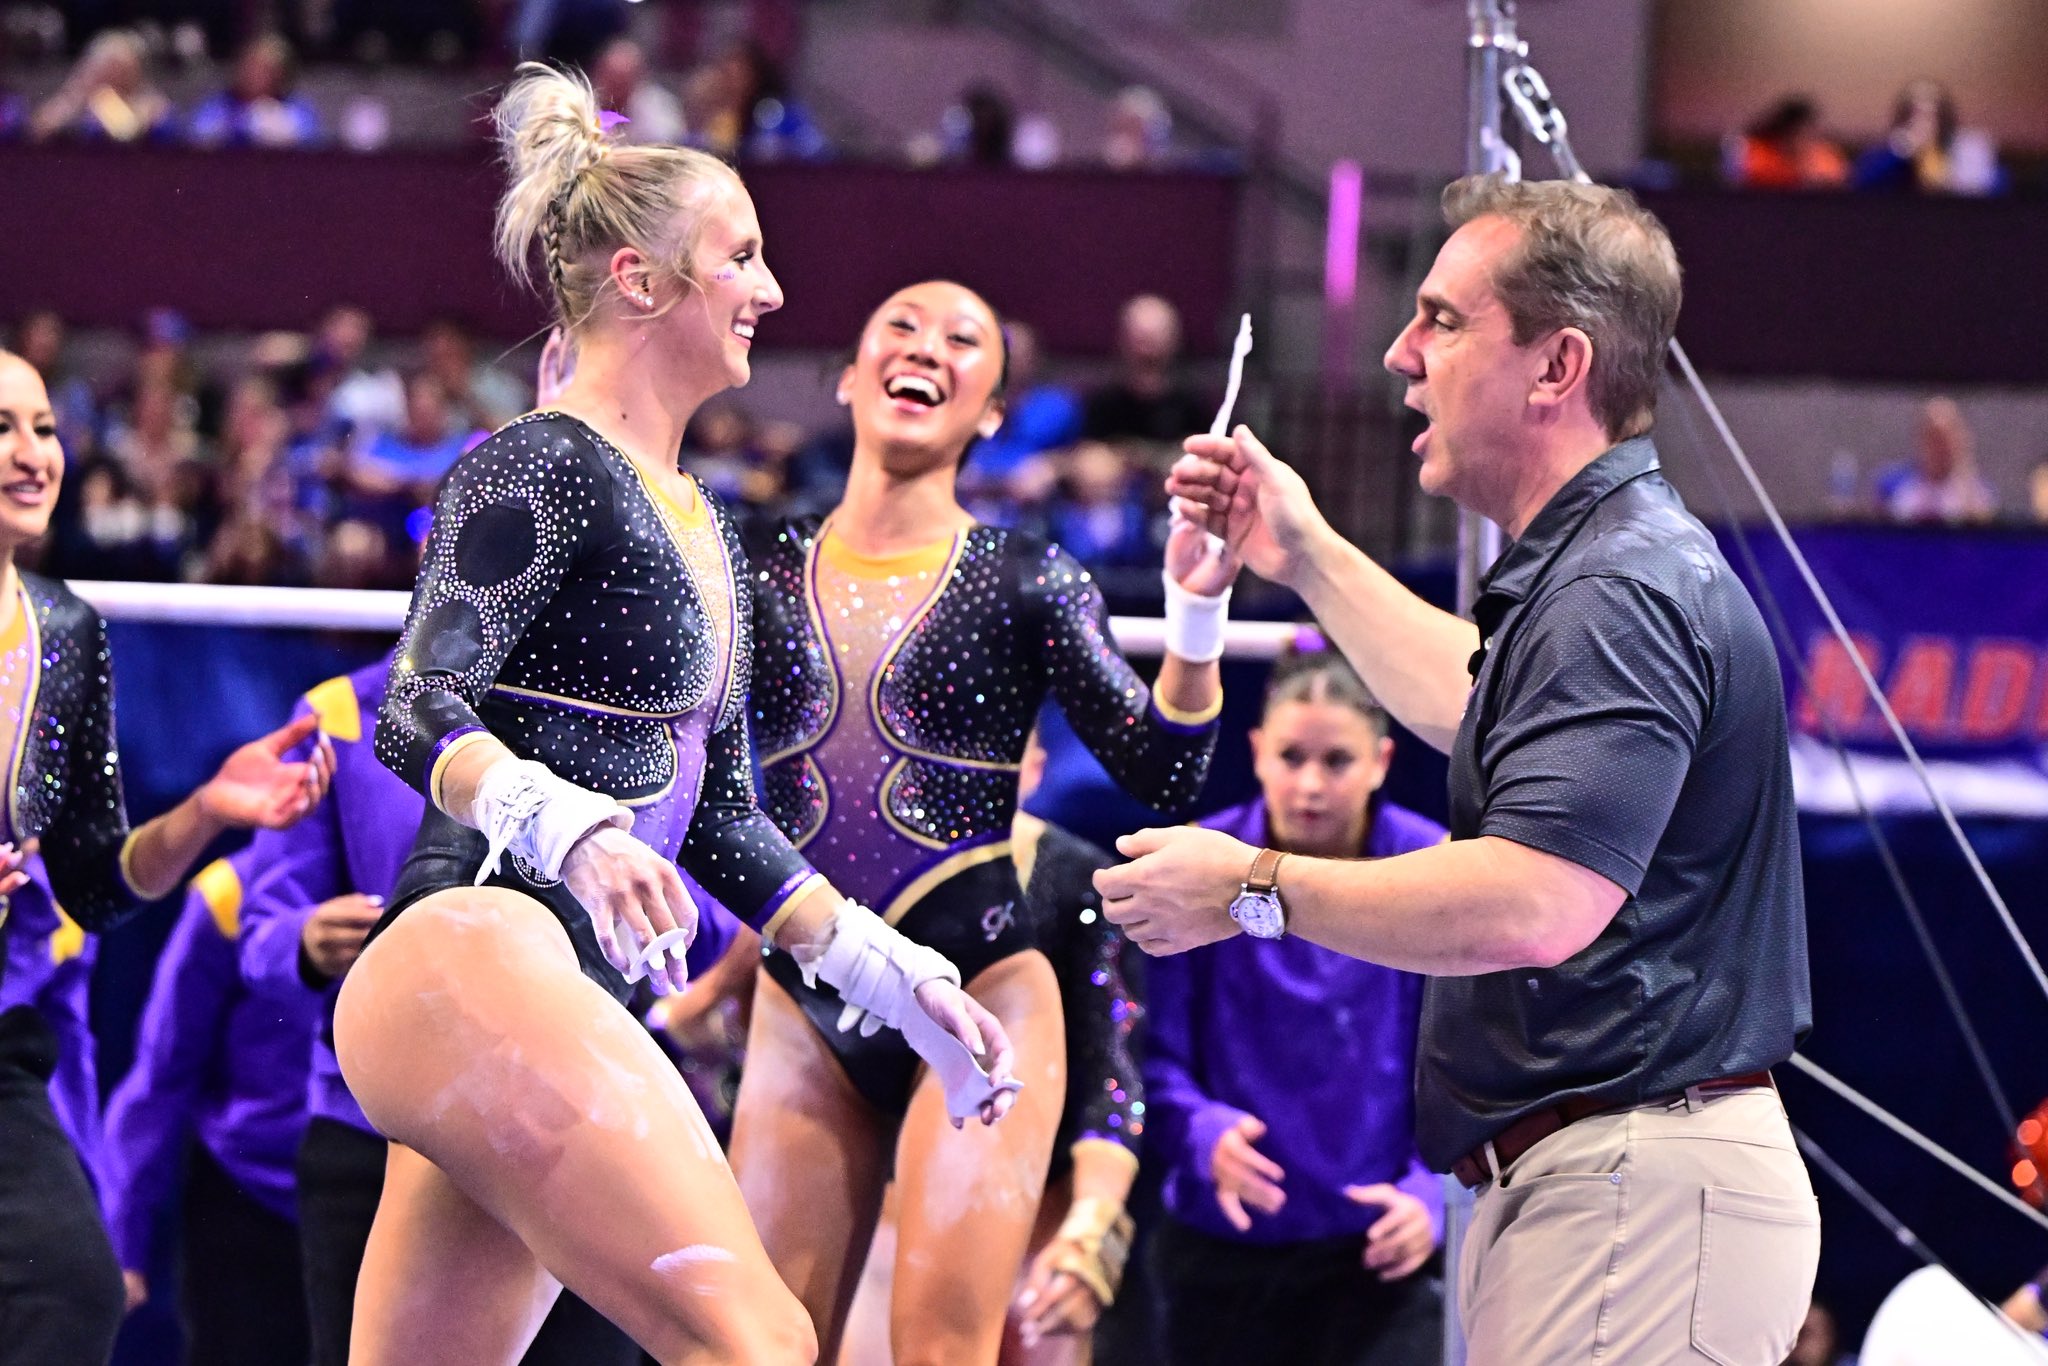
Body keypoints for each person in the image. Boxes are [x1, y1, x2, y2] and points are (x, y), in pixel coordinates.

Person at [331, 65, 1016, 1366]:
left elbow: (730, 818)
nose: (768, 290)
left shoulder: (706, 525)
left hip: (549, 989)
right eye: (741, 257)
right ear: (641, 281)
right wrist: (570, 825)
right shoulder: (543, 458)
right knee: (754, 1336)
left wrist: (891, 972)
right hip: (477, 950)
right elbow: (416, 704)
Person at [1108, 174, 1820, 1364]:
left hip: (1631, 1182)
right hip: (1596, 1182)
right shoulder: (1597, 570)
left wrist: (1250, 888)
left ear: (1557, 368)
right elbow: (1480, 702)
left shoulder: (1617, 590)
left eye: (1440, 319)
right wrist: (1303, 552)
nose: (1397, 352)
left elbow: (1533, 898)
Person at [731, 277, 1234, 1363]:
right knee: (750, 1345)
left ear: (991, 409)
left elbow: (1168, 770)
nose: (926, 349)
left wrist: (1193, 616)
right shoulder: (758, 564)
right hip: (804, 996)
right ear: (847, 376)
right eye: (899, 330)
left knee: (942, 1352)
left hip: (982, 995)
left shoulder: (1026, 576)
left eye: (964, 340)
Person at [0, 345, 334, 1366]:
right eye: (1, 430)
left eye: (46, 428)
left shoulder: (64, 631)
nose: (32, 455)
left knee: (71, 1289)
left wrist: (203, 810)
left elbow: (97, 880)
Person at [236, 659, 648, 1366]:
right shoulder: (340, 714)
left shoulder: (625, 707)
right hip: (379, 1123)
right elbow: (261, 934)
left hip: (579, 1122)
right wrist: (303, 940)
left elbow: (694, 904)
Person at [1143, 641, 1445, 1366]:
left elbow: (1468, 1062)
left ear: (1381, 760)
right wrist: (1199, 1131)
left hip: (1376, 1253)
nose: (1310, 784)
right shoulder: (1199, 866)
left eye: (1337, 761)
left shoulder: (1431, 867)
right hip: (1224, 1253)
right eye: (1291, 757)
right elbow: (1147, 1058)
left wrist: (1433, 1194)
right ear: (1255, 751)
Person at [100, 848, 316, 1365]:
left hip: (386, 1189)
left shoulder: (426, 877)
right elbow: (160, 1076)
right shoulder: (228, 896)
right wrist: (123, 1242)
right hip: (248, 1201)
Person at [1081, 295, 1210, 447]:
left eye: (1155, 337)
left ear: (1175, 340)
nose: (1146, 350)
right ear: (1122, 340)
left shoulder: (1195, 405)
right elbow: (1087, 454)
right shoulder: (1102, 404)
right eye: (1140, 338)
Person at [184, 32, 322, 149]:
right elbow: (197, 136)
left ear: (280, 74)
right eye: (248, 66)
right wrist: (244, 123)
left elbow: (312, 144)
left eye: (262, 69)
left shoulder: (297, 109)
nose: (251, 74)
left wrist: (275, 128)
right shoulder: (217, 105)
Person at [1875, 396, 1997, 525]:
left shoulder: (1979, 493)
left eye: (1946, 439)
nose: (1940, 448)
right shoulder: (1891, 485)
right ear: (1921, 439)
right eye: (1934, 438)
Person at [1722, 96, 1847, 190]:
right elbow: (1743, 181)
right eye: (1795, 131)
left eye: (1808, 130)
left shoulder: (1824, 156)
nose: (1801, 137)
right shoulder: (1757, 153)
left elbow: (1841, 183)